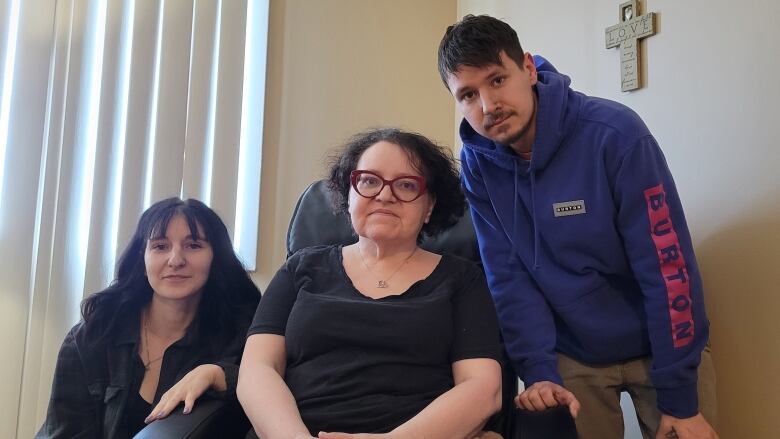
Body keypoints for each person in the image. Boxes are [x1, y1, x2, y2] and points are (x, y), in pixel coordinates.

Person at [437, 14, 718, 439]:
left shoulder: (615, 134)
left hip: (663, 345)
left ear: (528, 69)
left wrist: (680, 395)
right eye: (468, 94)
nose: (488, 106)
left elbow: (666, 265)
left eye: (497, 80)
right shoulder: (478, 165)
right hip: (572, 354)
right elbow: (508, 277)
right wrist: (539, 372)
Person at [238, 128, 503, 438]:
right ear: (348, 195)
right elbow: (257, 370)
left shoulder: (462, 280)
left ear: (429, 205)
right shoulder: (301, 268)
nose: (384, 194)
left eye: (406, 185)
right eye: (368, 181)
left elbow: (483, 389)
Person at [36, 197, 261, 438]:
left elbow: (269, 390)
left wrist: (217, 375)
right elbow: (66, 432)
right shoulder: (93, 336)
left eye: (193, 245)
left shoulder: (243, 332)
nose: (176, 260)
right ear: (143, 261)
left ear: (215, 258)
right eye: (160, 246)